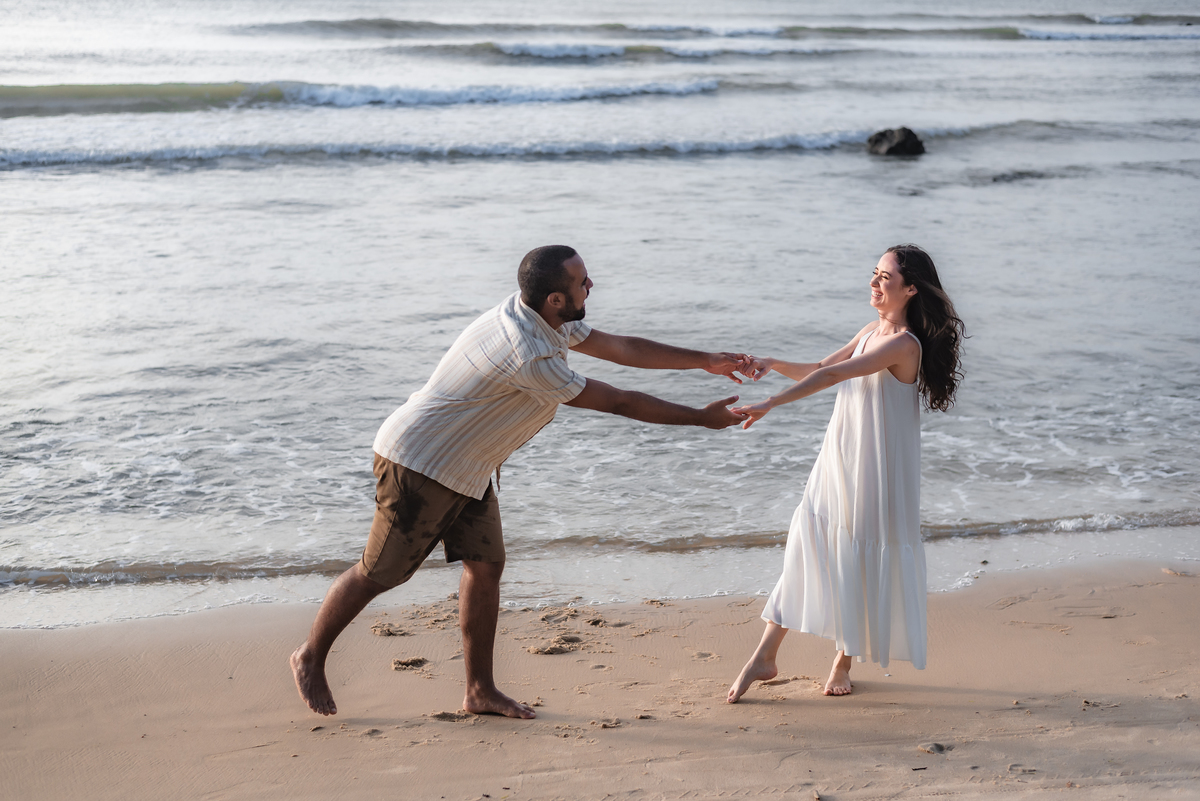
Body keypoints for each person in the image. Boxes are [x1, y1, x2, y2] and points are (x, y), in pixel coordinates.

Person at [292, 245, 753, 719]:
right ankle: (309, 655)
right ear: (555, 297)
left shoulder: (543, 315)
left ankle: (479, 691)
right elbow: (618, 402)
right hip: (422, 462)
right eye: (582, 283)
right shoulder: (528, 352)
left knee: (486, 566)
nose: (590, 287)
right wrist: (700, 419)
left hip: (468, 463)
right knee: (380, 573)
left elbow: (622, 348)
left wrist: (706, 360)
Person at [726, 244, 964, 703]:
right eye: (874, 274)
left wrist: (773, 403)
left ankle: (843, 659)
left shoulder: (903, 343)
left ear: (911, 289)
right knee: (807, 545)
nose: (874, 284)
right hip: (840, 457)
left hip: (875, 468)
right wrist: (772, 364)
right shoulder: (871, 330)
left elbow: (834, 379)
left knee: (856, 556)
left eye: (885, 278)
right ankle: (765, 655)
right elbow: (821, 368)